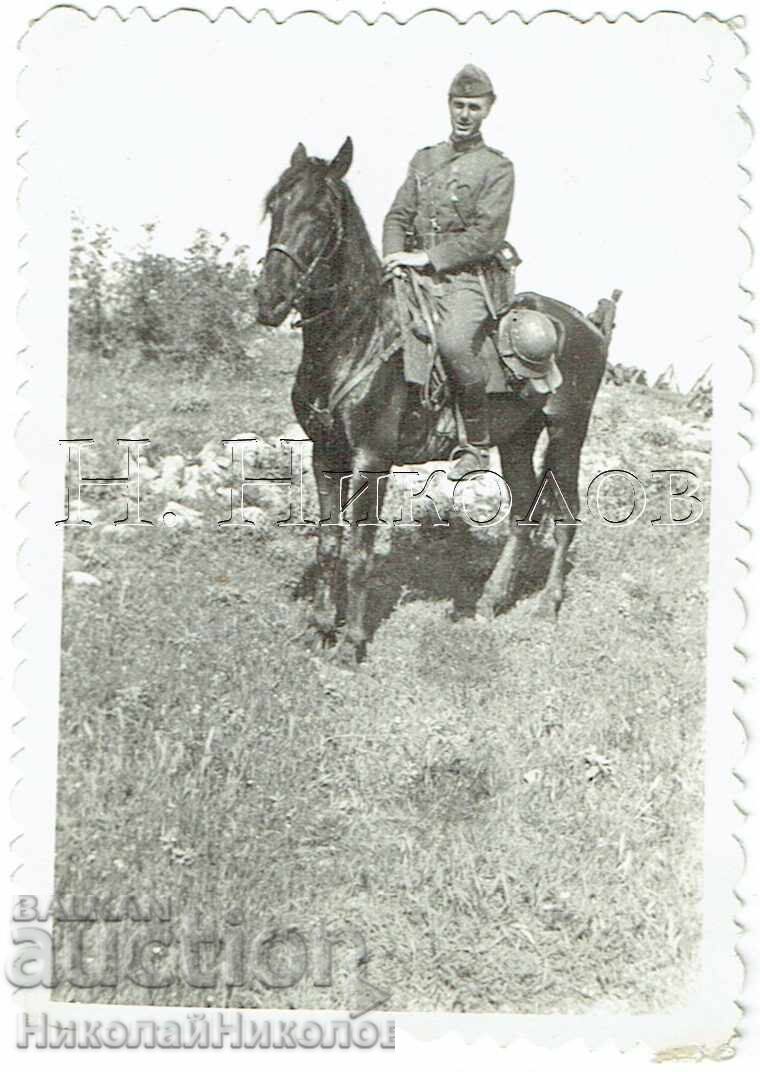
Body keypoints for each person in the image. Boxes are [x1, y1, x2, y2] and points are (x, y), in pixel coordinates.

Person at [382, 64, 515, 479]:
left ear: (488, 109)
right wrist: (393, 257)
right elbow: (397, 216)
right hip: (411, 272)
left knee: (455, 343)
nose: (464, 115)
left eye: (474, 107)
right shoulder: (425, 159)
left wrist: (428, 258)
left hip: (466, 278)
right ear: (448, 105)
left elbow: (486, 236)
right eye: (458, 105)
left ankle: (475, 444)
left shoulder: (496, 168)